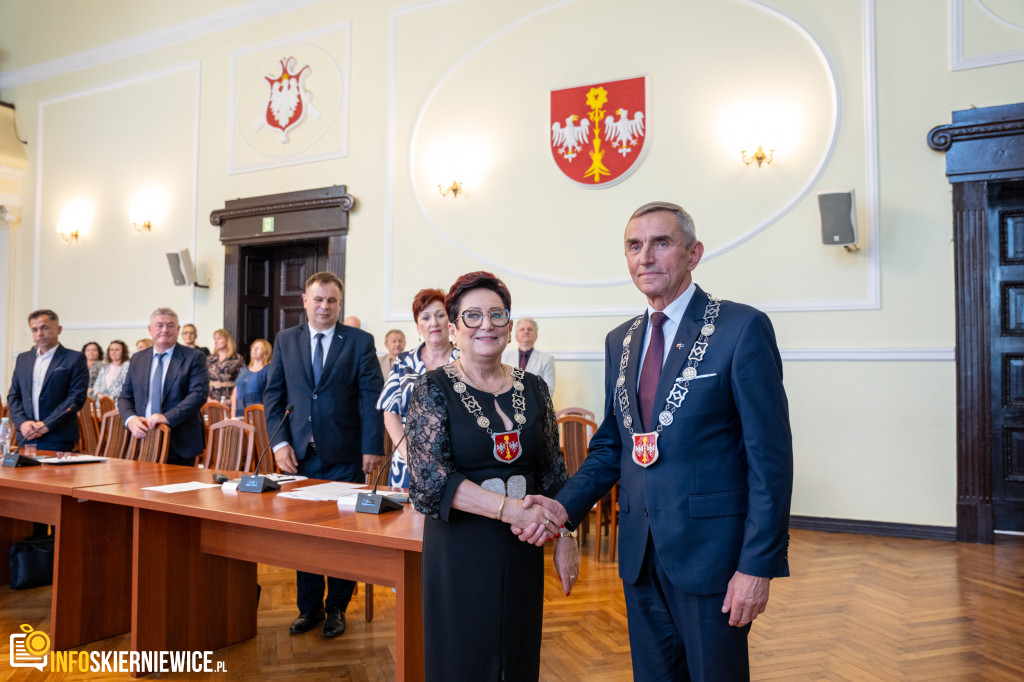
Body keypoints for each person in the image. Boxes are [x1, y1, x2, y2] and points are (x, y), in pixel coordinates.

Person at [518, 202, 793, 681]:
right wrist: (564, 509)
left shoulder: (740, 328)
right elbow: (613, 446)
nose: (645, 256)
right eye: (634, 245)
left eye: (661, 243)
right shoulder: (619, 341)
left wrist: (757, 565)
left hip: (714, 560)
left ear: (693, 253)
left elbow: (770, 461)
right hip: (640, 555)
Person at [405, 271, 577, 681]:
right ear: (452, 328)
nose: (487, 325)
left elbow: (553, 471)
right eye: (473, 316)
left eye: (497, 315)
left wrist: (566, 536)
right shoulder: (431, 389)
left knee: (517, 657)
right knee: (462, 660)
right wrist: (511, 511)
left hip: (524, 547)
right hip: (460, 549)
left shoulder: (534, 387)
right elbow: (431, 482)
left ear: (509, 324)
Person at [264, 272, 385, 639]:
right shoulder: (286, 339)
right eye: (318, 299)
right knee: (307, 536)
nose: (324, 306)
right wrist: (280, 443)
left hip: (347, 455)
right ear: (305, 300)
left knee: (342, 536)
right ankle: (309, 608)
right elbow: (274, 396)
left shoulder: (359, 342)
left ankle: (337, 610)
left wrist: (372, 447)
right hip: (301, 456)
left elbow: (371, 399)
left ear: (339, 303)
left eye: (331, 301)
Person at [376, 290, 456, 487]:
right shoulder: (403, 362)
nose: (433, 323)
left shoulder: (464, 361)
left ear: (450, 321)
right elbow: (390, 412)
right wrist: (407, 455)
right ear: (418, 326)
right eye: (425, 317)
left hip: (457, 463)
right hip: (407, 465)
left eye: (440, 315)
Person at [119, 307, 209, 466]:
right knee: (141, 489)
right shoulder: (138, 358)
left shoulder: (194, 357)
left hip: (180, 439)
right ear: (150, 329)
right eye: (159, 325)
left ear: (178, 329)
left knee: (179, 490)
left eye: (170, 325)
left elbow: (198, 394)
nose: (165, 330)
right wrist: (131, 420)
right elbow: (125, 397)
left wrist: (167, 417)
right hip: (143, 438)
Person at [7, 309, 89, 451]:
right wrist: (22, 424)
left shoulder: (74, 358)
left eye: (45, 328)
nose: (39, 334)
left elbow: (76, 398)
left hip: (58, 437)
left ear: (58, 329)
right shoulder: (23, 359)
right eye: (35, 329)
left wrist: (47, 424)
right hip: (26, 436)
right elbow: (14, 395)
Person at [501, 317, 556, 395]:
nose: (526, 331)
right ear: (516, 336)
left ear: (536, 336)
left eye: (530, 329)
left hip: (535, 405)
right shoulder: (504, 356)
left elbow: (548, 391)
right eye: (522, 329)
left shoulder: (547, 359)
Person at [231, 338, 271, 417]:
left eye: (258, 348)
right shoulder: (244, 370)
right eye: (253, 347)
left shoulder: (268, 369)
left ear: (266, 352)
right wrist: (233, 411)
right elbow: (235, 391)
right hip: (240, 413)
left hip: (259, 415)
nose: (254, 350)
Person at [207, 328, 244, 405]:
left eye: (219, 339)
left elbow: (242, 382)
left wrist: (232, 400)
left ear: (227, 340)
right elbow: (203, 380)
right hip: (211, 400)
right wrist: (207, 398)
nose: (215, 342)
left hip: (229, 399)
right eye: (215, 339)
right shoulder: (210, 359)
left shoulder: (237, 359)